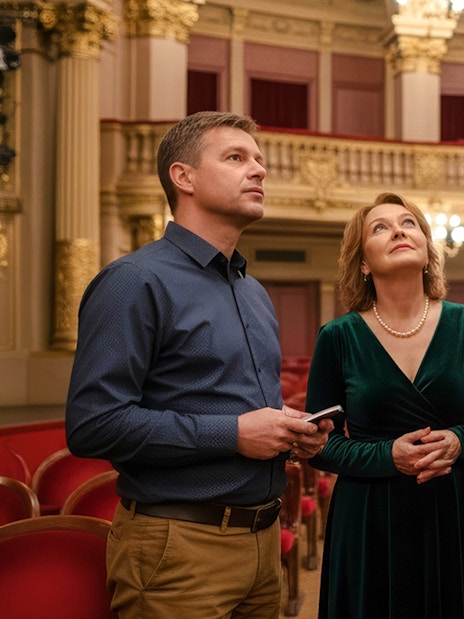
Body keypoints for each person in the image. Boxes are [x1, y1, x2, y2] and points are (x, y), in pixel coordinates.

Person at [66, 111, 333, 619]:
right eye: (236, 158)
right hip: (178, 547)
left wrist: (288, 431)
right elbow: (93, 425)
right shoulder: (134, 281)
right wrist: (232, 434)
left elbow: (239, 409)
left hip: (262, 542)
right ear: (183, 177)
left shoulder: (252, 291)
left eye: (259, 160)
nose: (258, 170)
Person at [305, 191, 464, 619]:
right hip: (369, 517)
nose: (398, 229)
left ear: (429, 250)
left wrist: (459, 440)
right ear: (362, 262)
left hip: (456, 508)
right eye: (380, 227)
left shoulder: (463, 324)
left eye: (409, 223)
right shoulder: (337, 337)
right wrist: (386, 454)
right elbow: (317, 445)